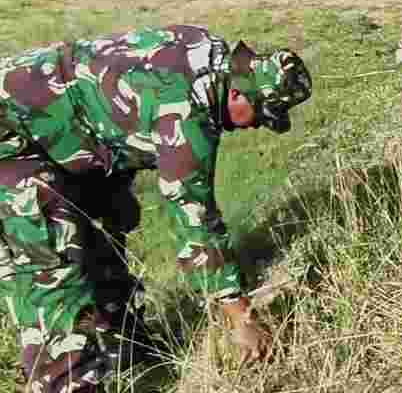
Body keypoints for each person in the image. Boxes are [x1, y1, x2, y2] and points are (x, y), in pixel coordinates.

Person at [0, 25, 313, 390]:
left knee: (107, 225)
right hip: (12, 140)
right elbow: (193, 218)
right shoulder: (187, 109)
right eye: (261, 115)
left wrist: (115, 190)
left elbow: (116, 102)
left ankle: (128, 358)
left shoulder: (204, 48)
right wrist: (239, 315)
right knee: (56, 271)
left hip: (54, 135)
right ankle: (64, 379)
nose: (255, 126)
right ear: (239, 92)